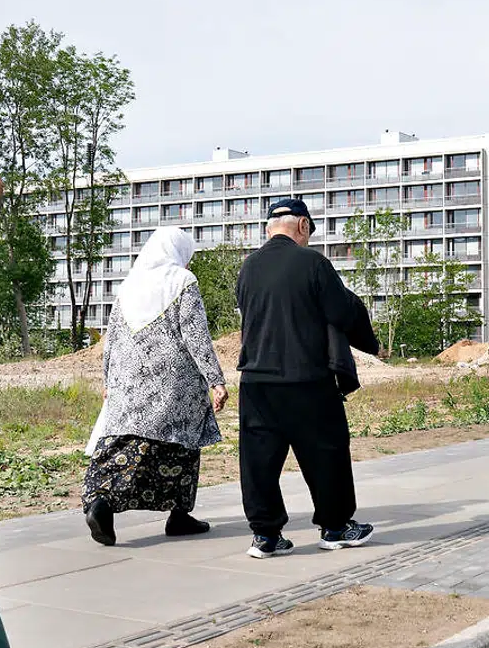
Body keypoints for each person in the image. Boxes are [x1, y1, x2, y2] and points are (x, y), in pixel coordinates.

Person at [236, 198, 381, 558]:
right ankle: (335, 527)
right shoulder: (313, 262)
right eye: (309, 232)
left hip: (255, 380)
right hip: (306, 378)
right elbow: (340, 310)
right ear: (302, 226)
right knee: (326, 452)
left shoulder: (248, 268)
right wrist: (369, 342)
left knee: (259, 461)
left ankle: (266, 536)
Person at [82, 227, 229, 546]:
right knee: (182, 446)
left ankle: (101, 502)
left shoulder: (127, 285)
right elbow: (196, 336)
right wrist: (215, 380)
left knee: (123, 443)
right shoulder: (183, 282)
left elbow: (112, 340)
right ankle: (178, 514)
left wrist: (108, 381)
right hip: (174, 385)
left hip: (128, 384)